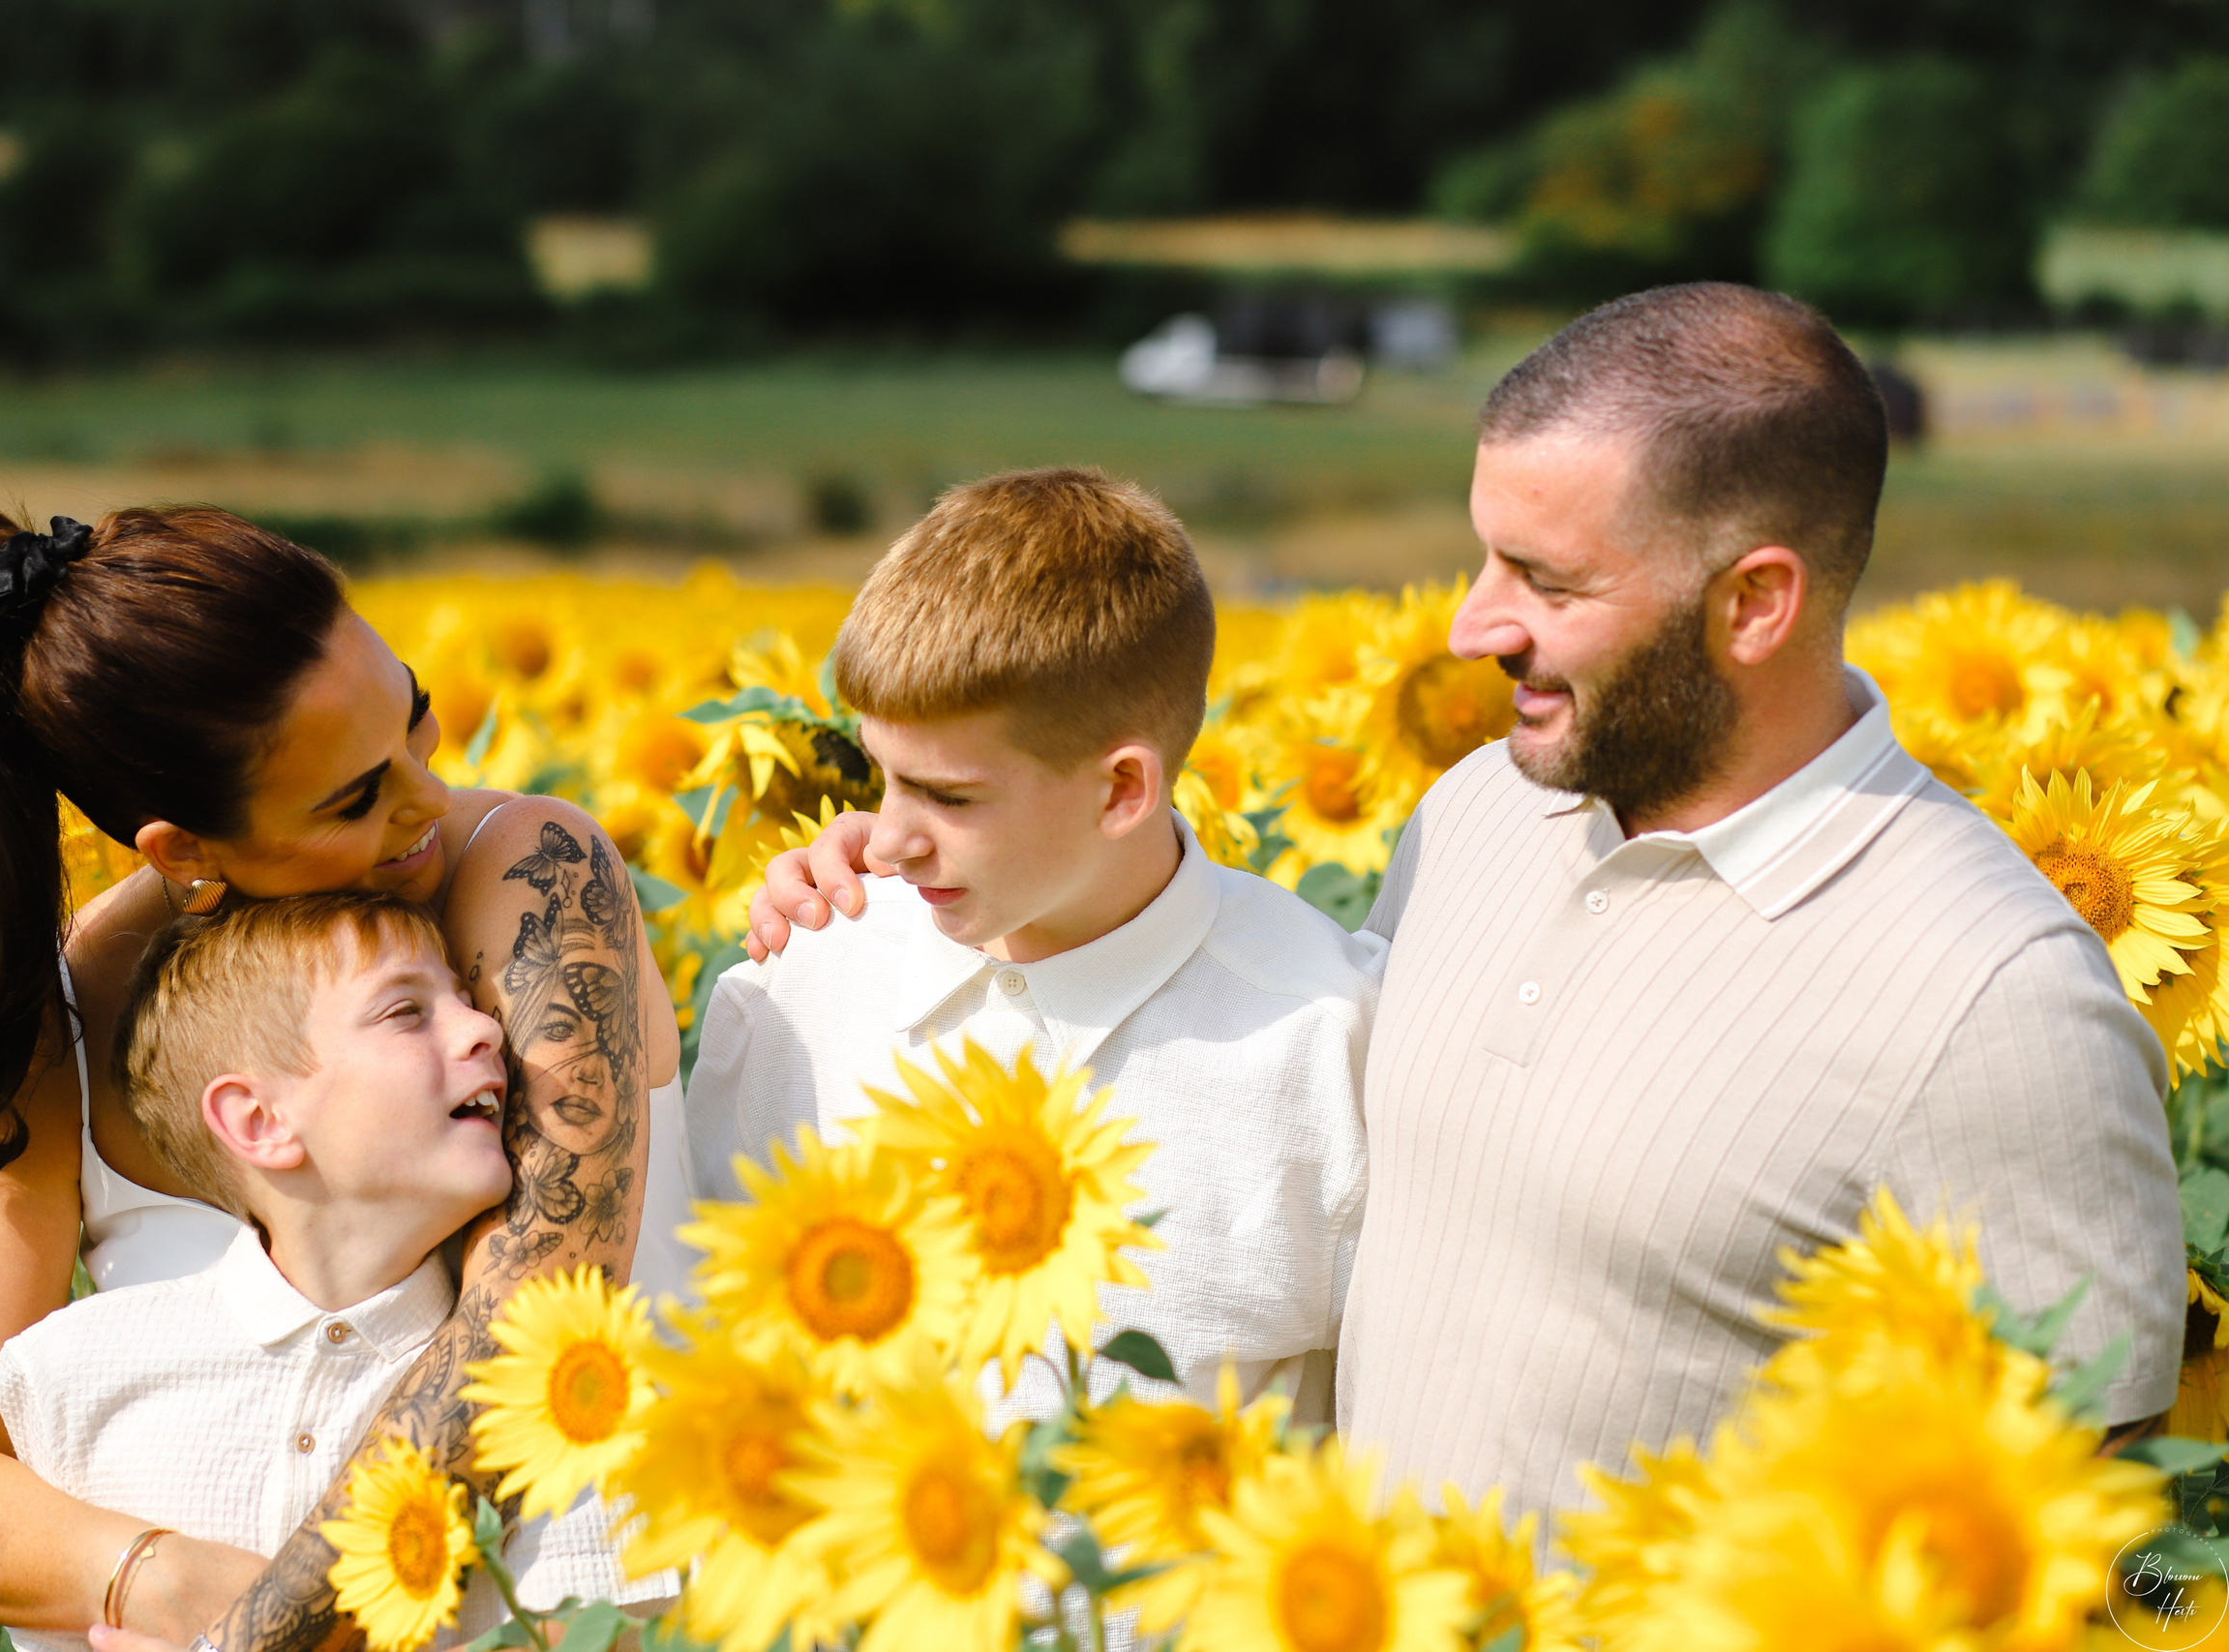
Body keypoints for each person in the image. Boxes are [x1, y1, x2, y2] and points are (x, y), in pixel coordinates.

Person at [743, 285, 2183, 1535]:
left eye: (1545, 579)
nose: (1469, 625)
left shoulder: (1992, 996)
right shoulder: (1486, 814)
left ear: (1755, 603)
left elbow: (2108, 1540)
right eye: (1488, 554)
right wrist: (903, 865)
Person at [0, 501, 681, 1648]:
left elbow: (524, 1337)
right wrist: (151, 1579)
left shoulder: (528, 874)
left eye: (416, 721)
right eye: (353, 799)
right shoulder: (63, 1022)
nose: (429, 800)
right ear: (181, 851)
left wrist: (254, 1634)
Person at [685, 467, 1380, 1425]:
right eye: (882, 775)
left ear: (1120, 792)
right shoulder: (800, 992)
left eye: (950, 797)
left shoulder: (1328, 1047)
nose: (885, 839)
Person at [0, 893, 668, 1652]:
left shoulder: (567, 1393)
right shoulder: (75, 1377)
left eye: (466, 997)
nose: (485, 1026)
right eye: (406, 1012)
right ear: (260, 1121)